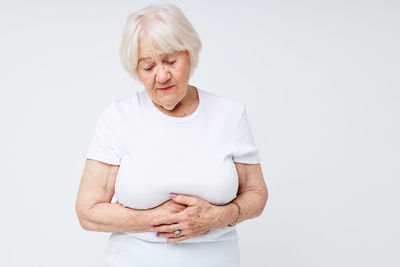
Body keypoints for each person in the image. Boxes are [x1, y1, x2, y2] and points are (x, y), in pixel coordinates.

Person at [75, 3, 268, 267]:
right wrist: (154, 218)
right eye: (148, 67)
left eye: (170, 61)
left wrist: (217, 217)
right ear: (136, 71)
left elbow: (257, 195)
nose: (162, 75)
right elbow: (88, 212)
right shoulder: (118, 118)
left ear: (190, 54)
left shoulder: (230, 115)